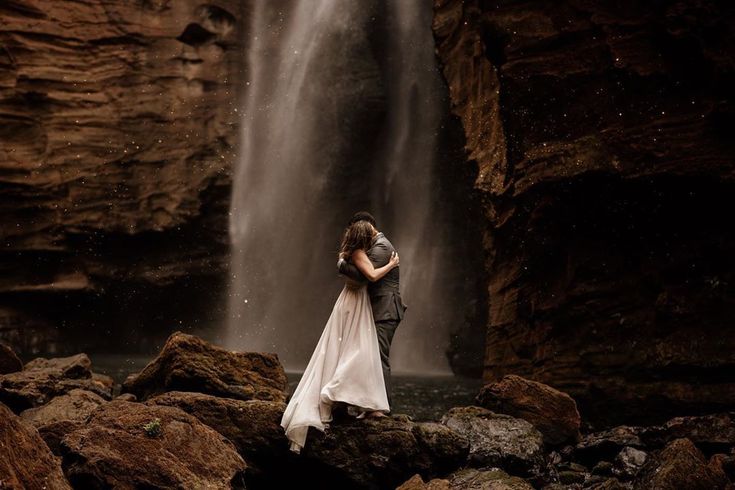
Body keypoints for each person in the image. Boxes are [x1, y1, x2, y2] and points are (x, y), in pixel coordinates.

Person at [280, 220, 400, 454]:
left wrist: (342, 264)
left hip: (354, 304)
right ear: (363, 237)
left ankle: (358, 402)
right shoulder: (359, 253)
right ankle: (348, 396)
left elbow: (354, 271)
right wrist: (393, 264)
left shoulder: (353, 253)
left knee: (353, 350)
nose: (373, 237)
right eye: (369, 234)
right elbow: (371, 276)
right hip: (356, 305)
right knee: (359, 351)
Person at [337, 211, 407, 411]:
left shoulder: (382, 247)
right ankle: (366, 404)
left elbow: (362, 276)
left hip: (385, 310)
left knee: (379, 356)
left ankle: (382, 408)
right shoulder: (375, 246)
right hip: (377, 309)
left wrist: (342, 263)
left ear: (367, 226)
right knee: (369, 356)